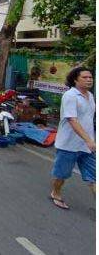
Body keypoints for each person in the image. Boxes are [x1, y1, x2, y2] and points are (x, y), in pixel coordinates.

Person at [50, 67, 96, 209]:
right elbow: (72, 120)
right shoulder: (70, 96)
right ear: (75, 80)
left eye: (90, 77)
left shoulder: (90, 95)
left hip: (87, 146)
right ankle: (55, 193)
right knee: (62, 175)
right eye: (85, 77)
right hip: (69, 145)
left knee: (93, 177)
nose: (89, 79)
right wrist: (88, 140)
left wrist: (90, 140)